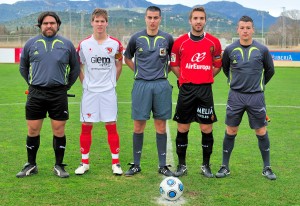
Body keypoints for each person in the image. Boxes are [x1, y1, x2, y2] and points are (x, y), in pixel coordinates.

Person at [17, 11, 80, 178]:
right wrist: (32, 83)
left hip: (58, 93)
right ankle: (31, 164)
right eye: (45, 23)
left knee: (59, 130)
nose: (49, 26)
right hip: (36, 92)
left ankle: (59, 165)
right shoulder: (31, 44)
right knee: (33, 129)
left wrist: (66, 86)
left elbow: (75, 68)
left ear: (58, 25)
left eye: (52, 23)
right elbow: (23, 67)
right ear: (41, 26)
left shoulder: (66, 44)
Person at [215, 15, 276, 180]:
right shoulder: (230, 50)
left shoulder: (262, 50)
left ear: (253, 30)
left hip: (256, 97)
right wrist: (235, 82)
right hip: (235, 96)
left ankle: (267, 168)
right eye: (242, 28)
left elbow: (270, 71)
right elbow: (226, 69)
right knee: (231, 130)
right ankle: (224, 167)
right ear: (237, 30)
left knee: (261, 130)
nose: (245, 31)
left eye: (248, 28)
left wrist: (259, 85)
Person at [170, 7, 222, 178]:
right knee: (182, 127)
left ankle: (206, 166)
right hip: (186, 90)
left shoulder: (214, 42)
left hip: (205, 90)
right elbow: (174, 64)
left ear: (205, 20)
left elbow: (217, 65)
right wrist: (184, 78)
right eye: (195, 18)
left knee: (206, 128)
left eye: (201, 18)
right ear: (190, 21)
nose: (198, 21)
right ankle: (182, 165)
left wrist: (205, 77)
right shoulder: (180, 42)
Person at [123, 6, 174, 177]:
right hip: (141, 85)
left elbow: (174, 60)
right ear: (145, 18)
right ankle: (136, 164)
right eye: (149, 18)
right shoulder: (136, 38)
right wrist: (138, 71)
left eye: (155, 18)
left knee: (160, 125)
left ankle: (162, 165)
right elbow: (127, 57)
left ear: (160, 19)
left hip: (161, 85)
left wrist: (172, 74)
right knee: (138, 125)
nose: (152, 21)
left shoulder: (167, 38)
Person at [74, 8, 123, 176]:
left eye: (103, 21)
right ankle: (84, 162)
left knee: (111, 126)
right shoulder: (84, 44)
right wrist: (85, 83)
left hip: (108, 92)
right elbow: (78, 65)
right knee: (86, 126)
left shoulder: (115, 44)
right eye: (97, 21)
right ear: (92, 22)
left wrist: (111, 83)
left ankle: (115, 163)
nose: (100, 24)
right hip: (90, 93)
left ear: (107, 23)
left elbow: (118, 64)